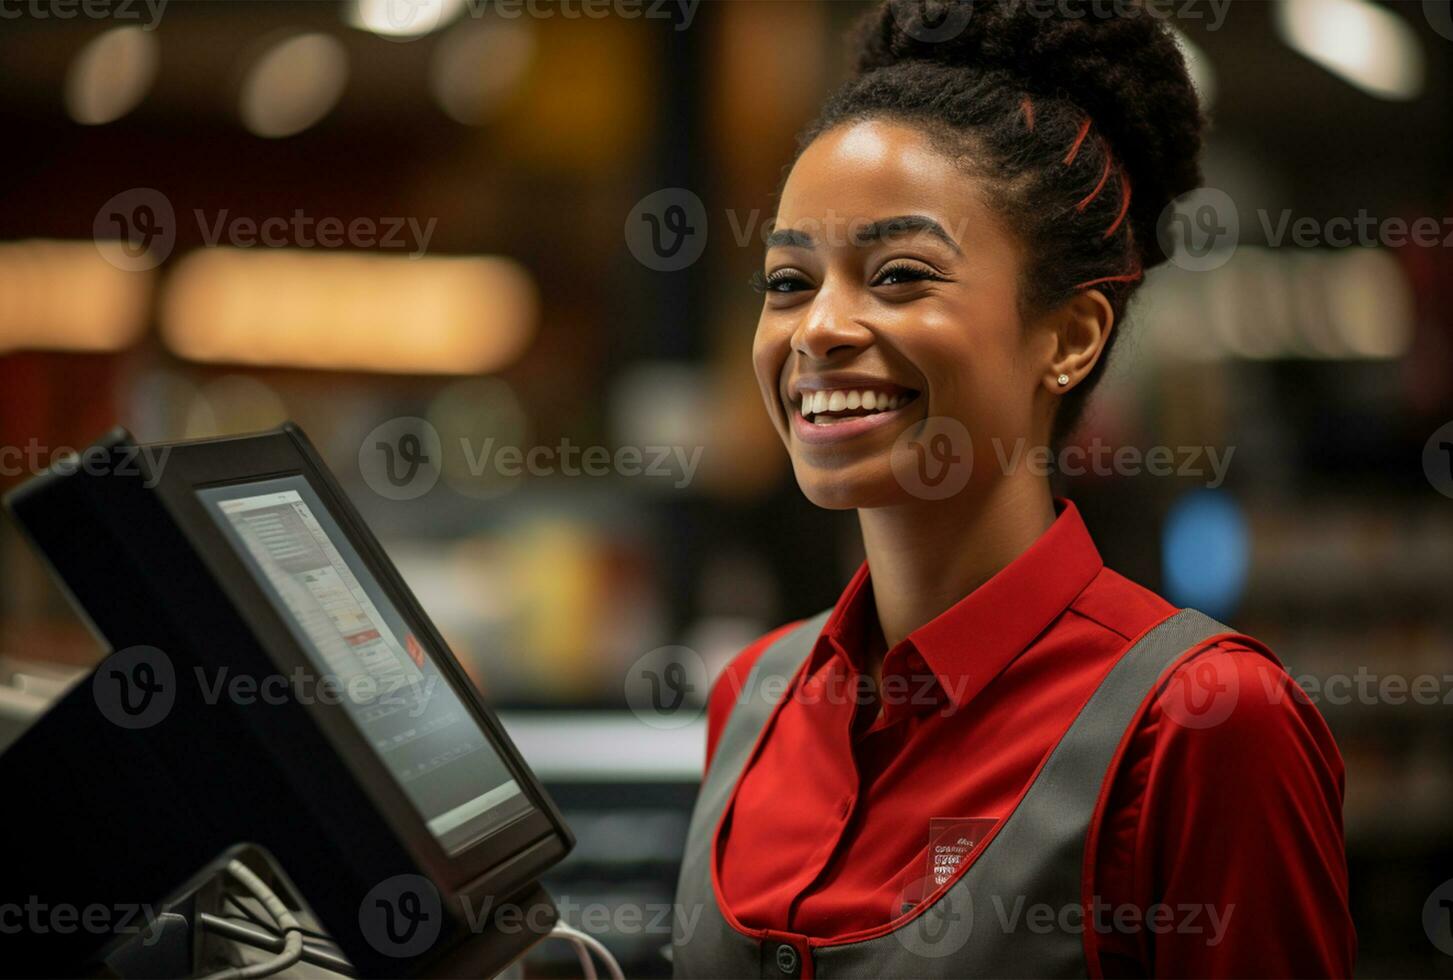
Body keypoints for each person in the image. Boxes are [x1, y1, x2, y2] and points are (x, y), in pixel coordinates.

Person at [671, 1, 1356, 976]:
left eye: (899, 274)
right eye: (788, 281)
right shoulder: (754, 694)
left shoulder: (1204, 721)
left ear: (1070, 336)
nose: (816, 328)